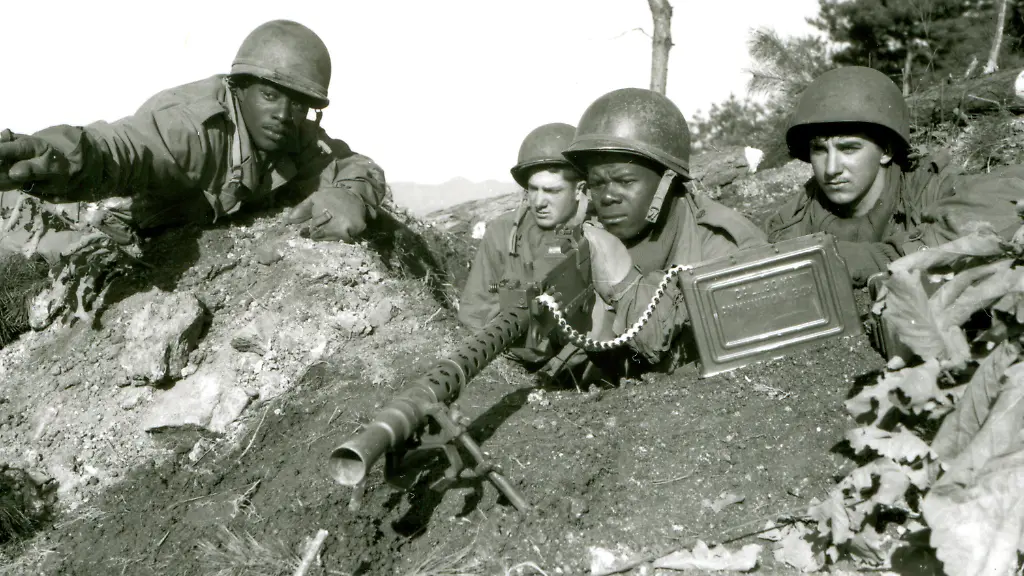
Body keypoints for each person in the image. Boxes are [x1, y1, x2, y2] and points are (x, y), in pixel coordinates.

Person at [0, 20, 387, 328]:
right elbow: (122, 148)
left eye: (299, 105)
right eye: (270, 96)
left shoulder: (291, 134)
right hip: (70, 222)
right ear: (240, 88)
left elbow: (354, 164)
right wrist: (63, 158)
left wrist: (351, 194)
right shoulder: (190, 128)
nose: (284, 116)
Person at [562, 88, 767, 375]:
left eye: (624, 180)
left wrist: (622, 278)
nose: (608, 196)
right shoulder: (595, 238)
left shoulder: (725, 247)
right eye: (598, 184)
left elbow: (661, 350)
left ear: (667, 181)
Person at [765, 66, 1024, 287]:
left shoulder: (924, 188)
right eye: (819, 150)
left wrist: (885, 256)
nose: (831, 168)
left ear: (886, 151)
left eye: (849, 148)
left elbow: (1013, 197)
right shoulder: (795, 219)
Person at [458, 122, 588, 365]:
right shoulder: (503, 232)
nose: (538, 202)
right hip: (508, 361)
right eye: (533, 189)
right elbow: (473, 314)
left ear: (579, 190)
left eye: (551, 191)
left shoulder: (598, 236)